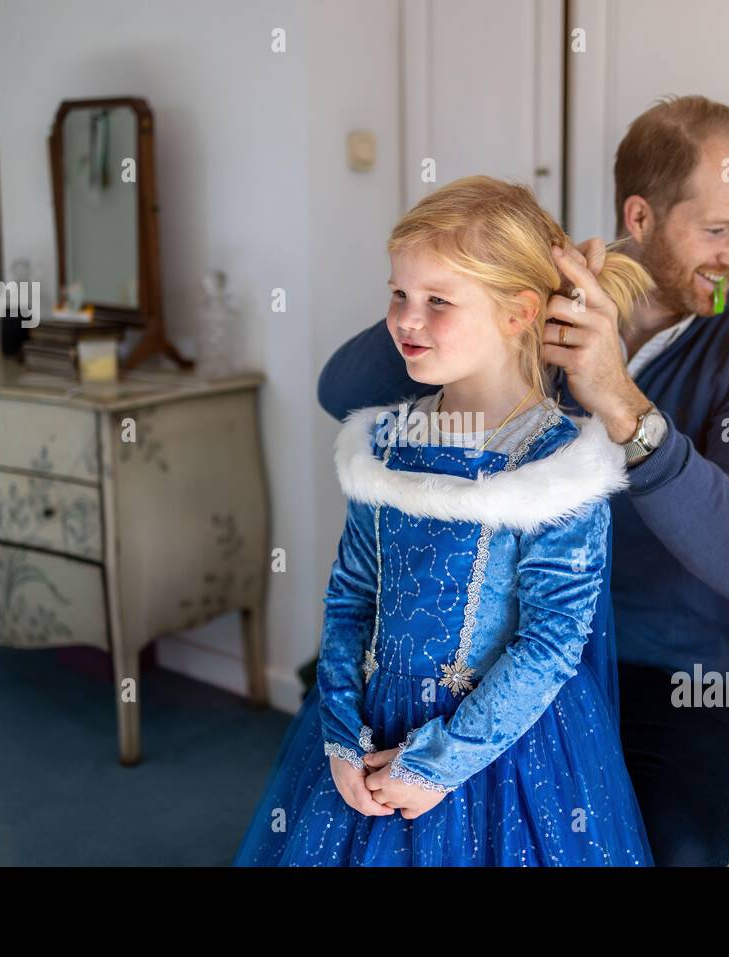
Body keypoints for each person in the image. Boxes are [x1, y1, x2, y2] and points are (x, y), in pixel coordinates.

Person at [316, 96, 729, 864]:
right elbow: (339, 392)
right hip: (483, 649)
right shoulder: (529, 316)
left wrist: (620, 401)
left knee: (675, 847)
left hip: (670, 674)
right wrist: (483, 286)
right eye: (717, 229)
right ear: (639, 218)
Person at [234, 175, 655, 865]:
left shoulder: (558, 466)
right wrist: (341, 735)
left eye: (438, 301)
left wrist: (437, 762)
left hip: (499, 750)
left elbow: (551, 641)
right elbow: (351, 598)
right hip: (371, 726)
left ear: (519, 313)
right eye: (399, 293)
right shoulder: (384, 443)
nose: (406, 319)